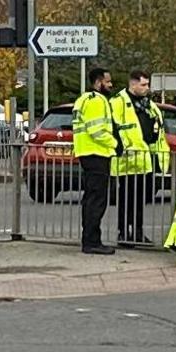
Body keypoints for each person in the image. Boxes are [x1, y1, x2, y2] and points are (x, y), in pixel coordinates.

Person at [109, 71, 167, 245]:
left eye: (148, 84)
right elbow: (113, 128)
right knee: (126, 199)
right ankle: (123, 233)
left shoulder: (148, 104)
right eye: (143, 85)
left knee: (141, 200)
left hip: (146, 159)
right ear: (132, 84)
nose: (146, 88)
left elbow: (158, 129)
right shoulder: (118, 102)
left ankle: (138, 232)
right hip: (127, 159)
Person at [71, 68, 118, 255]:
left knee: (90, 199)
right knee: (97, 200)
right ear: (98, 82)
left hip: (87, 153)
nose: (110, 85)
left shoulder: (83, 99)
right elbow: (97, 131)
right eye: (108, 82)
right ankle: (92, 242)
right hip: (97, 153)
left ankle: (90, 239)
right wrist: (115, 144)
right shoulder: (96, 101)